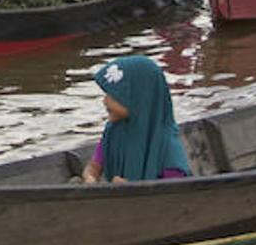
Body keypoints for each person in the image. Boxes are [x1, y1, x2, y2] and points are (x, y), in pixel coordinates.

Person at [80, 55, 193, 184]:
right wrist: (90, 176)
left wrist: (130, 188)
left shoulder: (168, 148)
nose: (105, 101)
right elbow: (94, 166)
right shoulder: (113, 131)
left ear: (139, 100)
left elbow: (174, 196)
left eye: (114, 96)